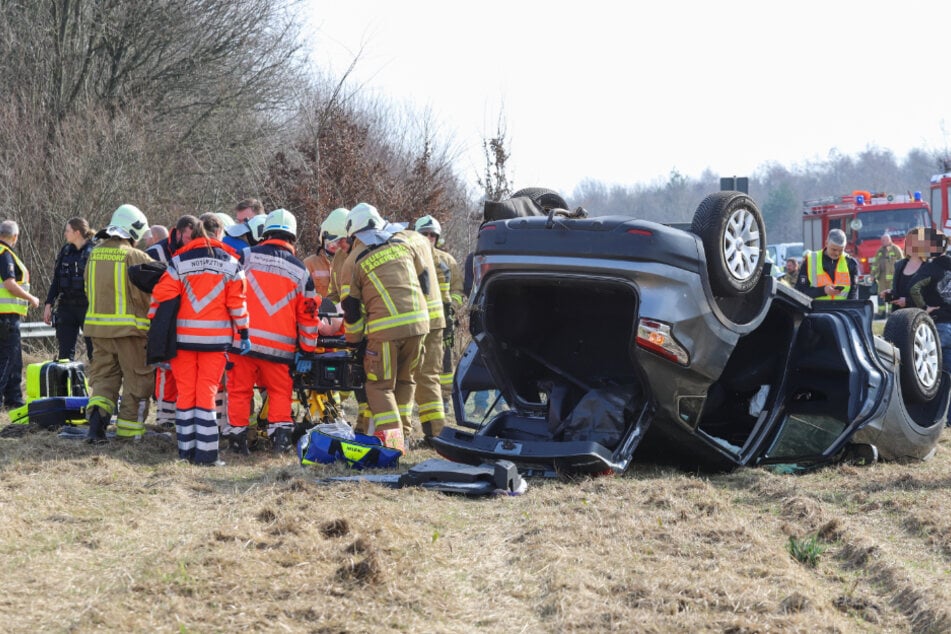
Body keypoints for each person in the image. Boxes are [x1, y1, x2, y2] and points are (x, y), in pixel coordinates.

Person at [149, 213, 249, 465]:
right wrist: (244, 331)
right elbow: (237, 304)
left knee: (185, 394)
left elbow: (161, 296)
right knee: (206, 394)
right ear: (219, 234)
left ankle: (185, 452)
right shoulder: (231, 263)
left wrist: (155, 326)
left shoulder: (178, 261)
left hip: (182, 341)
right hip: (215, 343)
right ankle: (205, 455)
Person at [225, 208, 319, 454]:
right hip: (280, 349)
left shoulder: (244, 257)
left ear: (265, 233)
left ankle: (238, 443)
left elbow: (229, 293)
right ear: (293, 237)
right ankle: (281, 443)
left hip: (243, 343)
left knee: (239, 392)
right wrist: (307, 350)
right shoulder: (301, 271)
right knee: (280, 394)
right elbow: (308, 315)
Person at [340, 203, 431, 452]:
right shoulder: (403, 245)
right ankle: (405, 435)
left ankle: (393, 446)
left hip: (385, 332)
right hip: (420, 325)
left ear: (353, 234)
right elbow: (424, 279)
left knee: (379, 386)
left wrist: (355, 343)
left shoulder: (354, 260)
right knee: (405, 381)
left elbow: (351, 309)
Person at [84, 205, 155, 442]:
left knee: (104, 381)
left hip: (98, 331)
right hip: (130, 333)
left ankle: (96, 430)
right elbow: (147, 296)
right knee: (138, 383)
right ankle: (128, 435)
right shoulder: (136, 256)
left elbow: (87, 289)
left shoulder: (94, 253)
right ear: (133, 230)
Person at [147, 214, 200, 428]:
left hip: (186, 319)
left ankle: (177, 414)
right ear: (177, 233)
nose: (189, 243)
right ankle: (164, 418)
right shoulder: (156, 253)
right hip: (162, 318)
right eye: (187, 238)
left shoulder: (192, 253)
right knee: (164, 369)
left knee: (180, 371)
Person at [415, 215, 466, 399]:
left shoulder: (447, 260)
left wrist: (451, 307)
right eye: (424, 234)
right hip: (415, 319)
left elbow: (459, 290)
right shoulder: (409, 258)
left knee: (444, 362)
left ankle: (444, 398)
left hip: (443, 321)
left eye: (432, 235)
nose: (429, 238)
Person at [0, 220, 40, 409]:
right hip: (5, 316)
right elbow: (9, 284)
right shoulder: (4, 254)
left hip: (7, 317)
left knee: (14, 359)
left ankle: (13, 400)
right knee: (6, 360)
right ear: (14, 237)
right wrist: (31, 298)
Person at [43, 218, 95, 360]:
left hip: (88, 307)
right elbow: (57, 279)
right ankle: (67, 382)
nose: (65, 234)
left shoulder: (94, 252)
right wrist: (49, 304)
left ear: (77, 232)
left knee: (94, 352)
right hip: (66, 306)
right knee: (65, 354)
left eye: (67, 231)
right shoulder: (65, 251)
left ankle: (96, 382)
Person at [795, 229, 859, 300]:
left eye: (841, 250)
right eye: (834, 249)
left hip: (842, 309)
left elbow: (853, 294)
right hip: (817, 309)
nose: (837, 253)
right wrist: (823, 291)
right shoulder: (810, 260)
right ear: (826, 244)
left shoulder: (850, 263)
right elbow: (800, 291)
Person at [304, 208, 349, 298]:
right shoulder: (310, 264)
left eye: (338, 242)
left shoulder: (353, 262)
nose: (333, 246)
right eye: (330, 243)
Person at [872, 233, 903, 317]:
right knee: (881, 294)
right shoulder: (880, 251)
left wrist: (901, 275)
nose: (883, 242)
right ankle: (880, 313)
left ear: (890, 240)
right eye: (882, 240)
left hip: (893, 277)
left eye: (885, 240)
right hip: (881, 277)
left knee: (891, 294)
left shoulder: (896, 249)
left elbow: (902, 262)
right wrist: (872, 275)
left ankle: (891, 312)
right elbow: (875, 264)